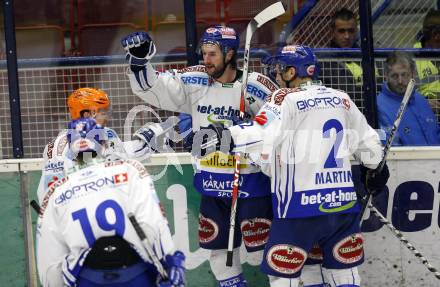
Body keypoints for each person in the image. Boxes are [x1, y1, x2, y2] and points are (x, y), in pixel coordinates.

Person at [122, 26, 277, 286]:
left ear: (229, 54)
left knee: (266, 251)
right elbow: (155, 88)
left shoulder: (256, 85)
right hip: (212, 183)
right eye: (204, 54)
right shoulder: (195, 80)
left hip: (251, 185)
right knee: (219, 251)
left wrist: (244, 129)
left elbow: (280, 124)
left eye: (212, 54)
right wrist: (140, 62)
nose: (206, 60)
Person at [223, 45, 389, 287]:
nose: (276, 75)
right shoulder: (341, 98)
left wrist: (224, 134)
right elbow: (370, 147)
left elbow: (260, 133)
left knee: (282, 274)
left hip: (298, 209)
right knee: (343, 275)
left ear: (293, 72)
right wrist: (375, 170)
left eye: (280, 69)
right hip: (341, 206)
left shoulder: (284, 98)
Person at [36, 117, 185, 287]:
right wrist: (170, 261)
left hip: (87, 278)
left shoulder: (56, 191)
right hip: (135, 273)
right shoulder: (131, 169)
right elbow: (152, 224)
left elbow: (50, 267)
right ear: (104, 144)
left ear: (70, 148)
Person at [37, 87, 175, 203]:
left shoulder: (108, 133)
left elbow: (120, 155)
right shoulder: (57, 147)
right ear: (87, 114)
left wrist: (146, 142)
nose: (107, 116)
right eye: (103, 112)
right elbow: (48, 194)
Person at [377, 51, 440, 145]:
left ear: (413, 74)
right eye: (394, 76)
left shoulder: (420, 100)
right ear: (386, 76)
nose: (400, 81)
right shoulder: (379, 107)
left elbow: (436, 135)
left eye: (404, 75)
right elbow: (393, 152)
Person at [414, 9, 440, 121]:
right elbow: (401, 96)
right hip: (425, 114)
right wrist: (424, 102)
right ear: (435, 35)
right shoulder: (411, 58)